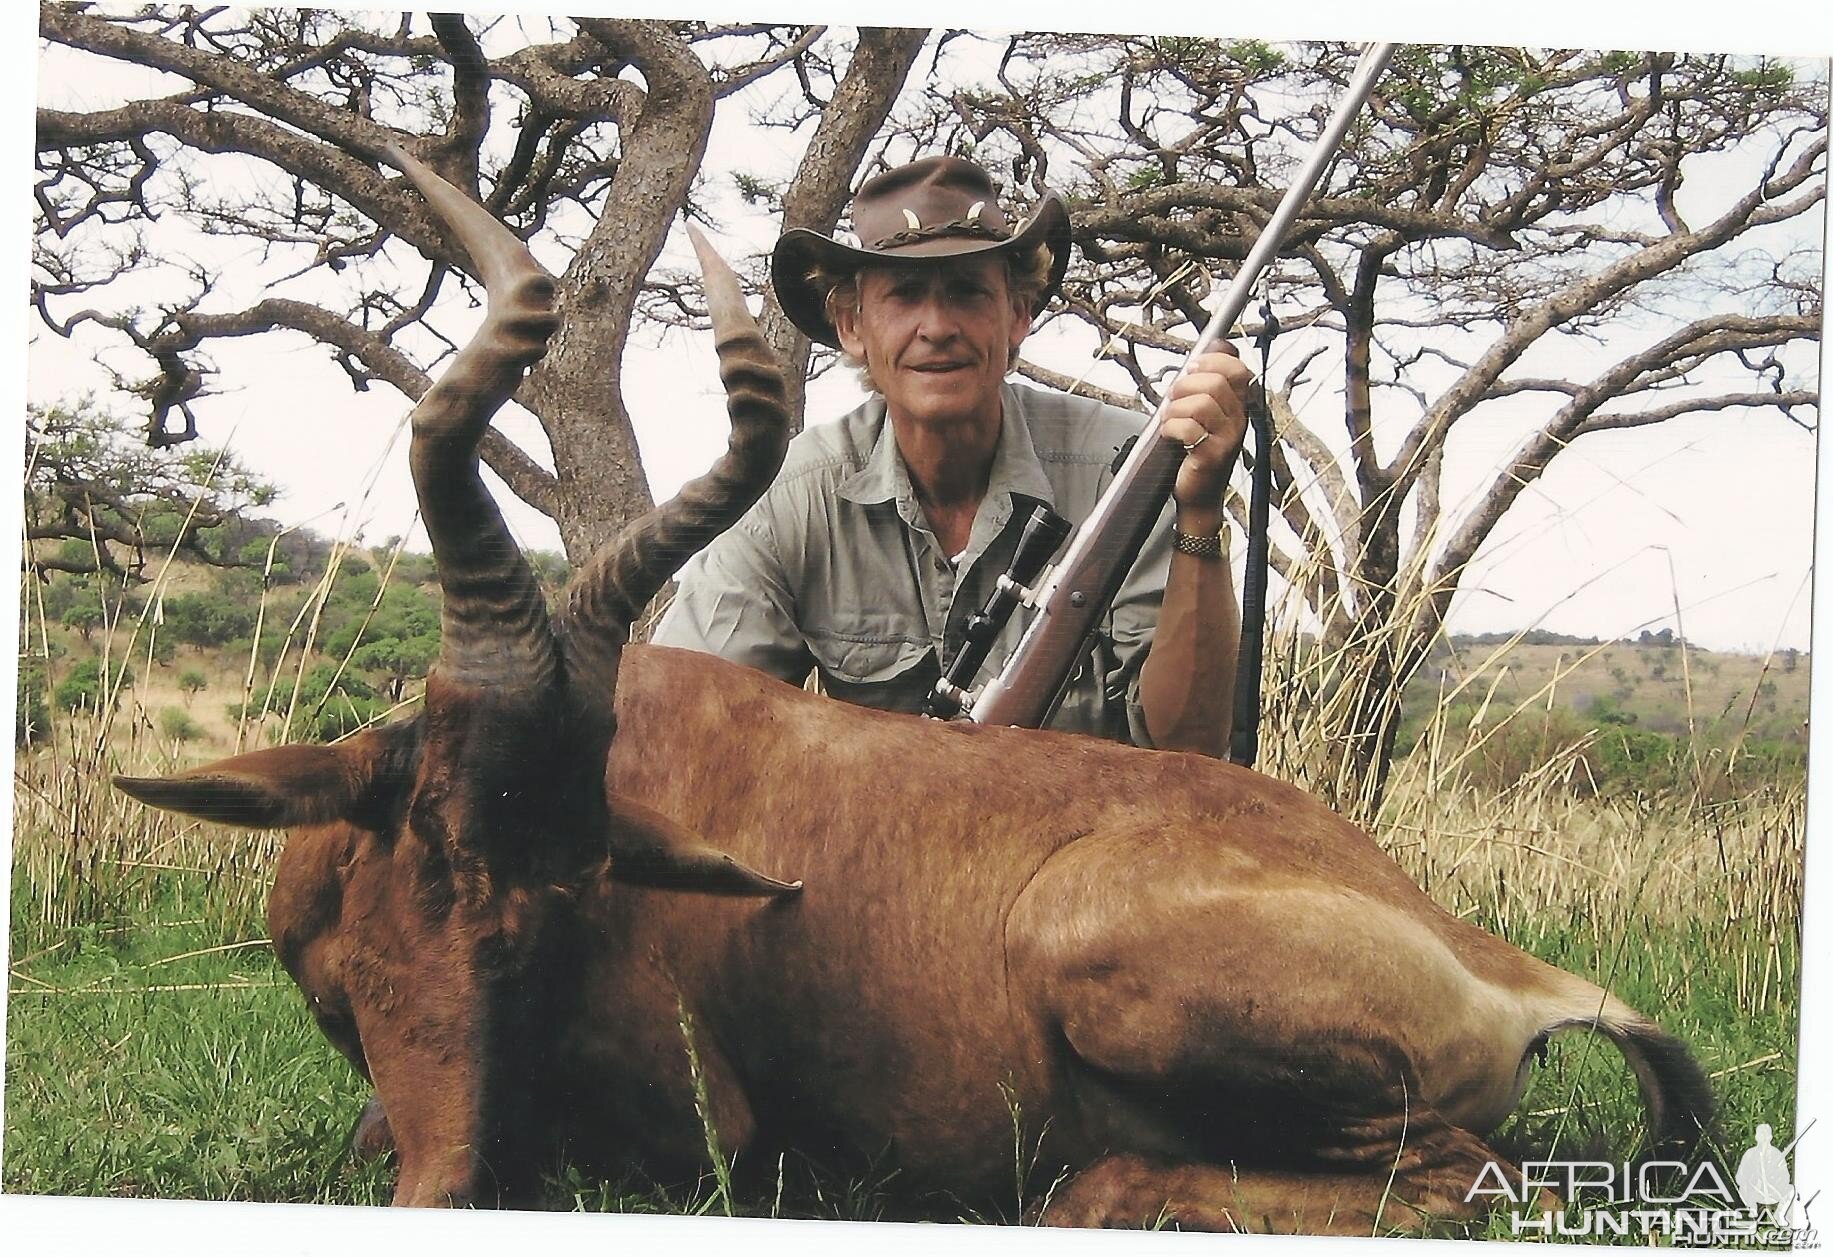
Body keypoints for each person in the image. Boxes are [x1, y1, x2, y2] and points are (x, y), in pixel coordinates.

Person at [654, 156, 1250, 755]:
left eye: (967, 292)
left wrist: (1200, 514)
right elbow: (680, 725)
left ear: (1017, 314)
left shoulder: (1127, 466)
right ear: (851, 324)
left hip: (1099, 837)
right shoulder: (792, 493)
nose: (937, 327)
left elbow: (1190, 744)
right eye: (905, 295)